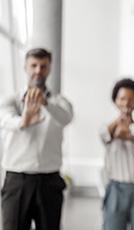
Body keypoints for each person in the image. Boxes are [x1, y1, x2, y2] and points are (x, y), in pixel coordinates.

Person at [0, 48, 73, 230]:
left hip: (49, 182)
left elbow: (66, 118)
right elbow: (4, 119)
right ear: (25, 67)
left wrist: (45, 103)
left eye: (43, 66)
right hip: (17, 181)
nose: (38, 70)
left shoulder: (59, 102)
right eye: (33, 65)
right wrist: (23, 121)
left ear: (49, 69)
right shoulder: (11, 100)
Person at [100, 78, 134, 230]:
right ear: (115, 100)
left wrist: (127, 135)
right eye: (122, 99)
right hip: (115, 188)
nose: (126, 103)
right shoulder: (107, 127)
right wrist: (119, 122)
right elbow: (104, 134)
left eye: (131, 99)